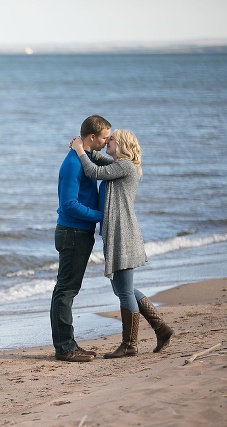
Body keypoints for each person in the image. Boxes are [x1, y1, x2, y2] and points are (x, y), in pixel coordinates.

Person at [72, 129, 174, 358]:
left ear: (123, 145)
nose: (108, 141)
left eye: (112, 139)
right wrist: (87, 148)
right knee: (123, 288)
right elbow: (99, 160)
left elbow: (94, 171)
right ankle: (161, 329)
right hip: (118, 233)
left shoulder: (125, 167)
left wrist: (79, 150)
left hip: (123, 235)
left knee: (124, 290)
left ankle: (130, 344)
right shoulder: (120, 166)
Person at [50, 115, 113, 363]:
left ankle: (69, 344)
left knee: (68, 290)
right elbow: (68, 204)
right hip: (72, 232)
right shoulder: (73, 165)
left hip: (79, 233)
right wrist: (101, 215)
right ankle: (65, 349)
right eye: (105, 137)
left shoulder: (84, 158)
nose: (107, 141)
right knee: (65, 291)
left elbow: (104, 164)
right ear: (92, 137)